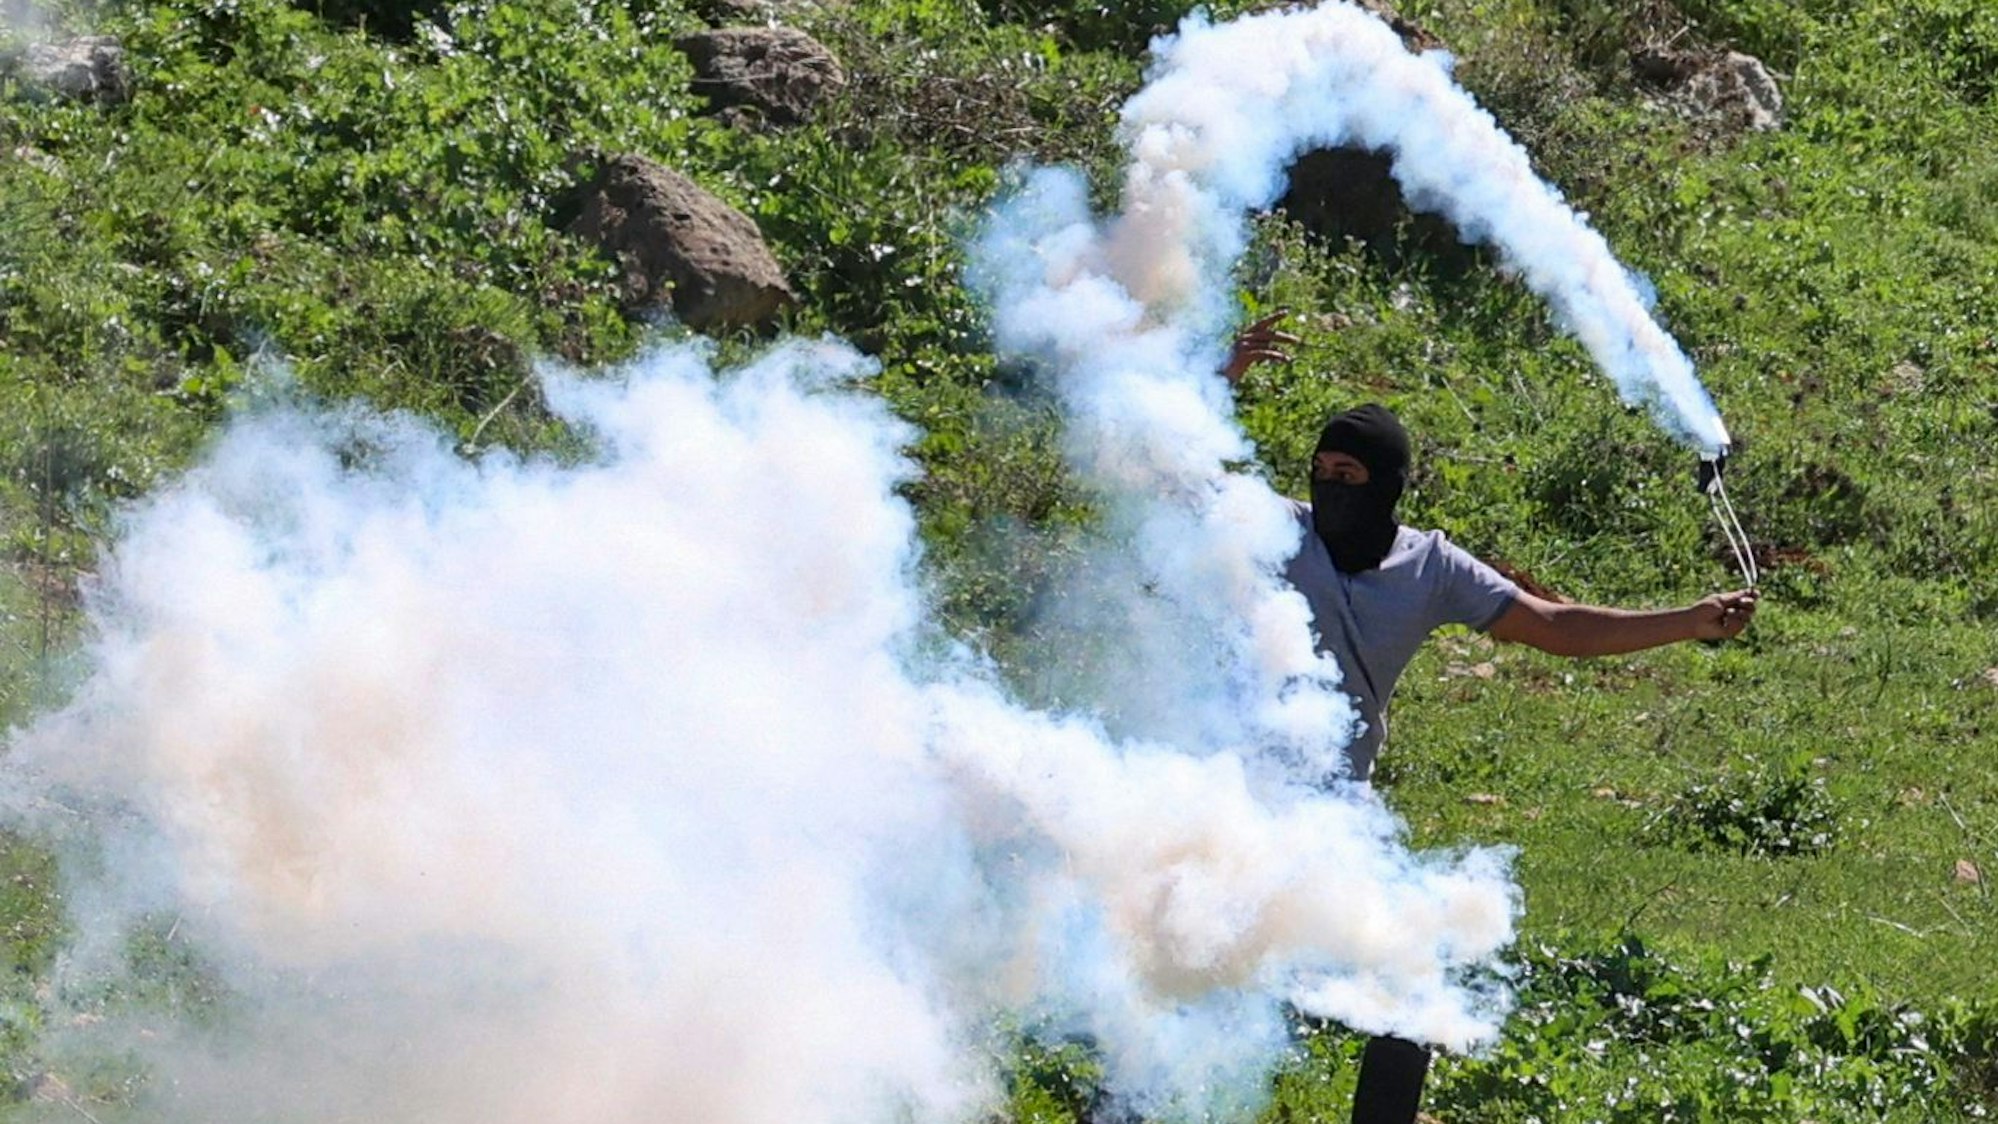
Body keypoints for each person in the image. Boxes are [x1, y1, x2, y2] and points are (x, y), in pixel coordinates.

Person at [1223, 312, 1758, 1124]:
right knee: (1172, 966)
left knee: (1411, 978)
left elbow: (1556, 626)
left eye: (1351, 475)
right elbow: (1166, 466)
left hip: (1333, 811)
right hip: (1231, 802)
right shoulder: (1275, 529)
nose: (1330, 488)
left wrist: (1688, 620)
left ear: (1390, 486)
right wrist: (1220, 375)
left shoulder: (1431, 566)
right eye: (1321, 471)